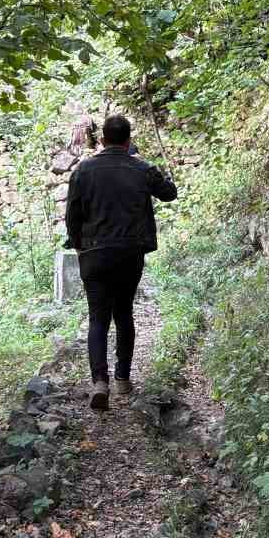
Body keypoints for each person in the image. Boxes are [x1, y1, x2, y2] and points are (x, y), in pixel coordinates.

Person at [63, 115, 178, 409]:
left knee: (98, 317)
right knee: (124, 312)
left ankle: (100, 382)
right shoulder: (141, 168)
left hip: (94, 253)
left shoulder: (83, 170)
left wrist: (79, 247)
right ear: (128, 141)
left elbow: (72, 216)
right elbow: (169, 194)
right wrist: (165, 173)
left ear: (102, 140)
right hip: (129, 253)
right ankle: (123, 379)